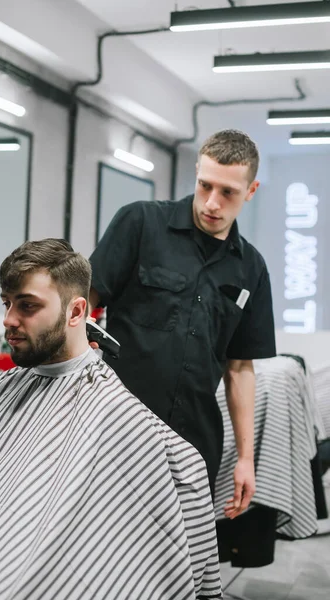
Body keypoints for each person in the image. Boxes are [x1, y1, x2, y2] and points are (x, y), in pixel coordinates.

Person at [0, 238, 222, 600]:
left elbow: (187, 470)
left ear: (75, 311)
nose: (8, 319)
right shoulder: (4, 387)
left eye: (27, 306)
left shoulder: (111, 411)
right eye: (7, 304)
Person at [89, 129, 276, 517]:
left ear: (252, 190)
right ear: (196, 172)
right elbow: (82, 307)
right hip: (117, 429)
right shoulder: (140, 223)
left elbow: (240, 369)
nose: (212, 202)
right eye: (205, 185)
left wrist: (246, 458)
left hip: (193, 444)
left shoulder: (252, 269)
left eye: (228, 192)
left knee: (181, 561)